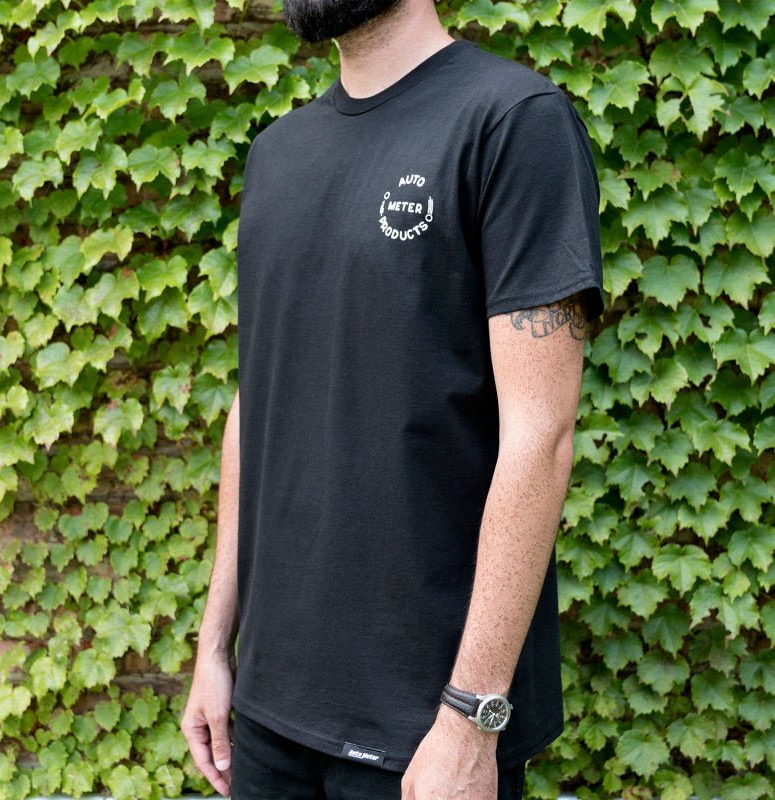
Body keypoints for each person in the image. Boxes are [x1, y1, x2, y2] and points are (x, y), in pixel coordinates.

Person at [180, 0, 604, 797]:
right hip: (268, 711)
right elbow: (256, 403)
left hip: (424, 730)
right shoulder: (276, 154)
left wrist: (471, 718)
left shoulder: (513, 122)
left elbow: (540, 436)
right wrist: (213, 647)